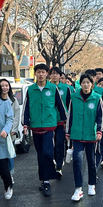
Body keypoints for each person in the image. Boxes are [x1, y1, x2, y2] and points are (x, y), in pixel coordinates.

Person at [23, 63, 67, 197]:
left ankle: (48, 181)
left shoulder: (53, 88)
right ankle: (44, 179)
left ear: (46, 74)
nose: (41, 74)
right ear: (35, 74)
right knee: (40, 155)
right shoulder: (30, 90)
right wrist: (25, 123)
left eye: (43, 72)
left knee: (48, 153)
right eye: (38, 72)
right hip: (35, 126)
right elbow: (26, 108)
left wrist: (65, 121)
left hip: (49, 126)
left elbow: (60, 106)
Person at [66, 74, 103, 201]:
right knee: (77, 161)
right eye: (83, 82)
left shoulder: (97, 98)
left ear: (92, 84)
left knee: (91, 161)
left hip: (91, 135)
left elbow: (100, 116)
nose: (86, 85)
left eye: (88, 82)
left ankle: (91, 184)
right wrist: (68, 132)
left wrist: (99, 131)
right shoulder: (73, 97)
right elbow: (69, 115)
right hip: (76, 135)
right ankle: (78, 189)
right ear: (80, 84)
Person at [0, 78, 20, 182]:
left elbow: (16, 115)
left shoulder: (13, 100)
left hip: (9, 132)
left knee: (9, 154)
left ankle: (9, 173)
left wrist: (14, 129)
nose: (4, 87)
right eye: (2, 85)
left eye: (6, 85)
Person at [48, 66, 72, 178]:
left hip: (61, 121)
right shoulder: (47, 87)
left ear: (60, 76)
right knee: (49, 144)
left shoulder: (66, 88)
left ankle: (59, 166)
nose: (54, 76)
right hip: (49, 120)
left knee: (59, 143)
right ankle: (52, 161)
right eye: (52, 73)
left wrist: (67, 119)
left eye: (56, 74)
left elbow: (68, 105)